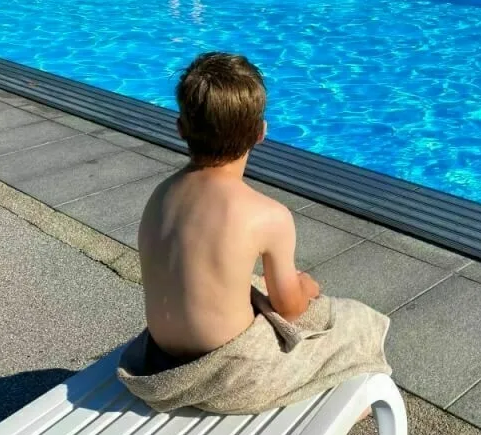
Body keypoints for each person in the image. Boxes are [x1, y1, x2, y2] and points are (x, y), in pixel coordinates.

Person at [117, 53, 390, 415]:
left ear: (181, 127)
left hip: (158, 363)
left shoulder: (161, 194)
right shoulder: (267, 215)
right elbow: (291, 309)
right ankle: (348, 403)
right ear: (261, 133)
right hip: (227, 376)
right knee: (355, 321)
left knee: (253, 285)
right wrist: (306, 287)